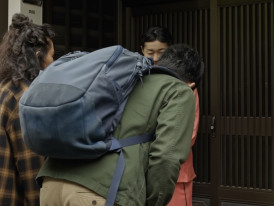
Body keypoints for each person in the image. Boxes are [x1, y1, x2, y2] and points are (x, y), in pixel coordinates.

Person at [37, 44, 203, 206]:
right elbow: (166, 157)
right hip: (100, 192)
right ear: (191, 84)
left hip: (51, 182)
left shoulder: (127, 76)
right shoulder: (179, 90)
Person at [141, 26, 201, 206]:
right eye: (150, 52)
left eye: (162, 52)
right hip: (141, 170)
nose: (156, 58)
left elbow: (188, 135)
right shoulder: (137, 80)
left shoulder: (186, 86)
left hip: (174, 169)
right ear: (142, 50)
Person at [0, 13, 55, 206]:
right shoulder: (25, 98)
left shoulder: (4, 88)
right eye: (52, 56)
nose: (53, 63)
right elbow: (33, 171)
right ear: (38, 55)